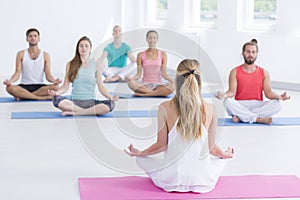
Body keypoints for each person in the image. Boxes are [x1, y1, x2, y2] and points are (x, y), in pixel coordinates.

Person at [125, 59, 234, 193]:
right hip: (203, 183)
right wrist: (224, 154)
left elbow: (161, 145)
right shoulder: (210, 108)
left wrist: (140, 153)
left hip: (171, 181)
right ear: (199, 81)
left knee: (141, 159)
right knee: (221, 161)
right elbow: (211, 148)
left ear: (177, 80)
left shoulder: (164, 108)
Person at [216, 39, 290, 124]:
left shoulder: (264, 72)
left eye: (253, 52)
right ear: (243, 53)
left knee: (278, 104)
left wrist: (280, 97)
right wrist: (224, 95)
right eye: (248, 52)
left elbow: (268, 92)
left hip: (258, 104)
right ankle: (258, 119)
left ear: (256, 54)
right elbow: (231, 92)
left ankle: (242, 117)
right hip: (241, 104)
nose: (250, 54)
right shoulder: (235, 71)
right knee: (227, 102)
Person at [48, 36, 118, 116]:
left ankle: (76, 113)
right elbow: (65, 86)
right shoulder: (70, 64)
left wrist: (110, 97)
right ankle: (88, 112)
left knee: (110, 105)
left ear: (90, 49)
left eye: (86, 46)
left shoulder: (97, 65)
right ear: (78, 48)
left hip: (91, 103)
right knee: (56, 99)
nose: (83, 48)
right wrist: (56, 93)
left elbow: (101, 86)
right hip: (74, 103)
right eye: (81, 46)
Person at [3, 28, 61, 100]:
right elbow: (17, 72)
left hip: (40, 87)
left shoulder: (45, 55)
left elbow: (48, 75)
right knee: (9, 88)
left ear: (38, 39)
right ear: (27, 39)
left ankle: (23, 96)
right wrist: (10, 81)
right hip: (24, 86)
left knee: (56, 88)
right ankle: (40, 98)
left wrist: (54, 81)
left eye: (35, 36)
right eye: (30, 36)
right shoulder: (20, 54)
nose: (33, 38)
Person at [127, 30, 174, 97]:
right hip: (144, 85)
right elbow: (138, 75)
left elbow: (164, 74)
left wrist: (173, 81)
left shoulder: (163, 54)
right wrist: (131, 78)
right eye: (150, 38)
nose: (152, 40)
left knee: (174, 85)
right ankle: (156, 93)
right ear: (147, 39)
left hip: (158, 85)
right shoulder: (140, 55)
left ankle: (147, 94)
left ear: (157, 40)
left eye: (154, 38)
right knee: (130, 82)